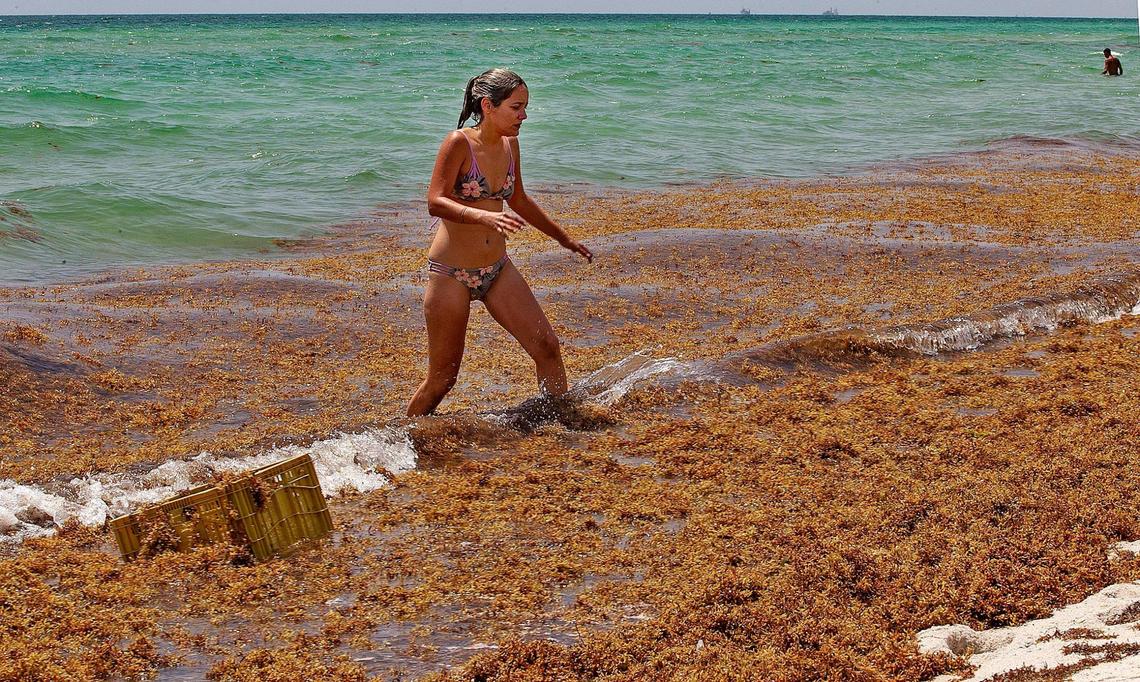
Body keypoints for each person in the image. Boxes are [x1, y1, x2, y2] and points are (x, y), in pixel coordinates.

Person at [407, 68, 593, 417]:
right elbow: (435, 200)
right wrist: (483, 215)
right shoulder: (458, 143)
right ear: (488, 105)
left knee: (547, 347)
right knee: (443, 378)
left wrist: (564, 238)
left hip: (497, 270)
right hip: (451, 274)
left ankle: (558, 425)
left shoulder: (510, 145)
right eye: (517, 107)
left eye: (525, 107)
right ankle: (405, 441)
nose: (524, 116)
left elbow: (519, 199)